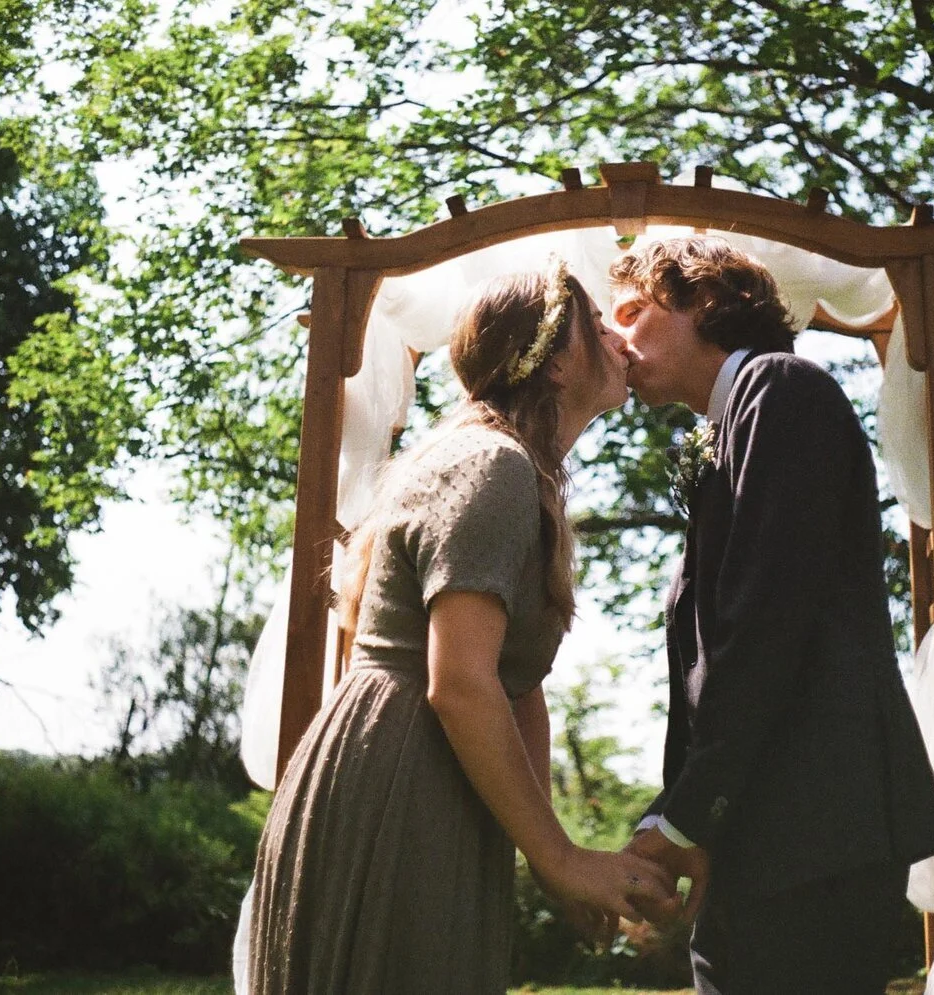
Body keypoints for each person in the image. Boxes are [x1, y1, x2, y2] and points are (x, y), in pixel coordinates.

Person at [246, 256, 675, 994]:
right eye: (597, 323)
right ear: (557, 362)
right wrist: (561, 860)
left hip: (438, 775)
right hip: (402, 776)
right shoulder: (491, 466)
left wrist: (551, 851)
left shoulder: (518, 472)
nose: (618, 337)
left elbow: (517, 688)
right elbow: (463, 684)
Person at [608, 237, 934, 994]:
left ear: (703, 301)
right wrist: (677, 815)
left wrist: (687, 817)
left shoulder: (783, 387)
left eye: (632, 312)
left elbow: (766, 622)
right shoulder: (731, 421)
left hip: (814, 830)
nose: (615, 335)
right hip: (756, 833)